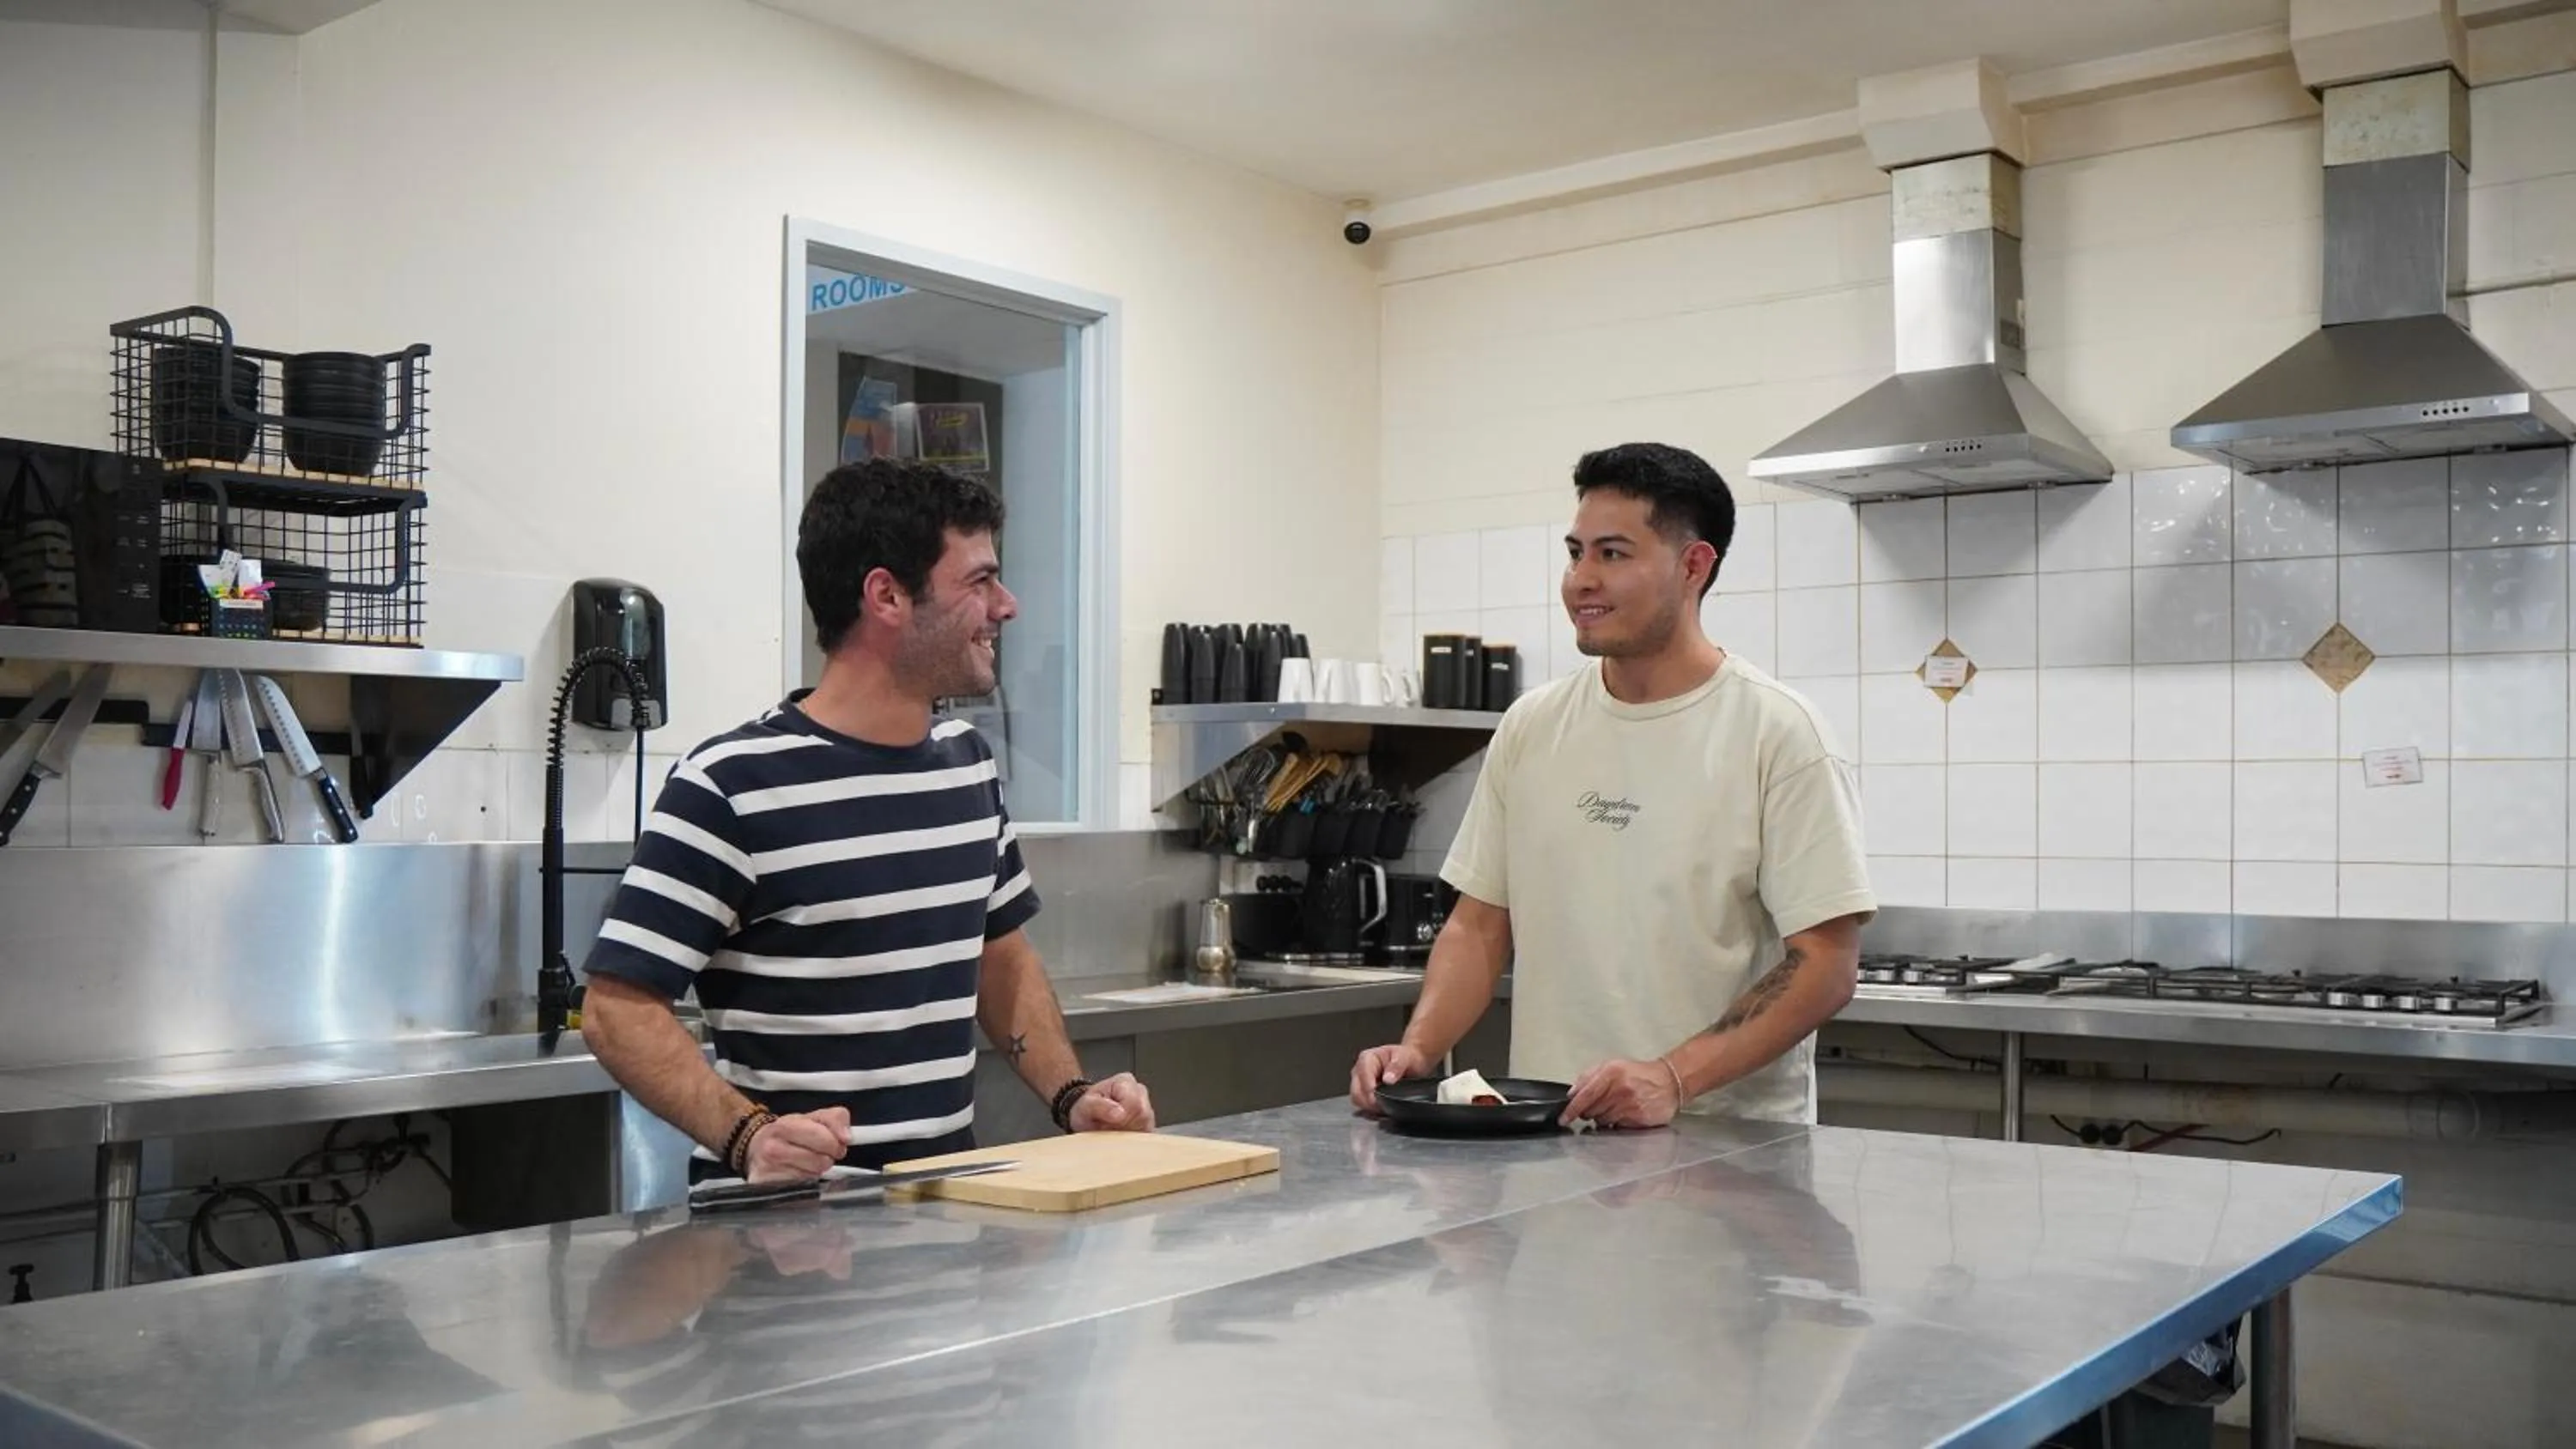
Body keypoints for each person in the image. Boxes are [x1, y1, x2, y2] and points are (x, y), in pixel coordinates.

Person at [584, 458, 1152, 1185]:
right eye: (979, 581)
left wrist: (1071, 1097)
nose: (1006, 606)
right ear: (887, 596)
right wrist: (748, 1136)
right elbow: (617, 1011)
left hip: (947, 1211)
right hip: (785, 1232)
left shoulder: (968, 765)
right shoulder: (730, 785)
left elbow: (998, 956)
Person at [1350, 442, 1874, 1129]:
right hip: (1551, 1136)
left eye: (1613, 554)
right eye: (1575, 553)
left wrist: (1672, 1078)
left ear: (1694, 566)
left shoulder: (1780, 733)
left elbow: (1826, 965)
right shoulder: (1532, 726)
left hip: (1727, 1151)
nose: (1581, 580)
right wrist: (1418, 1049)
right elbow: (1479, 925)